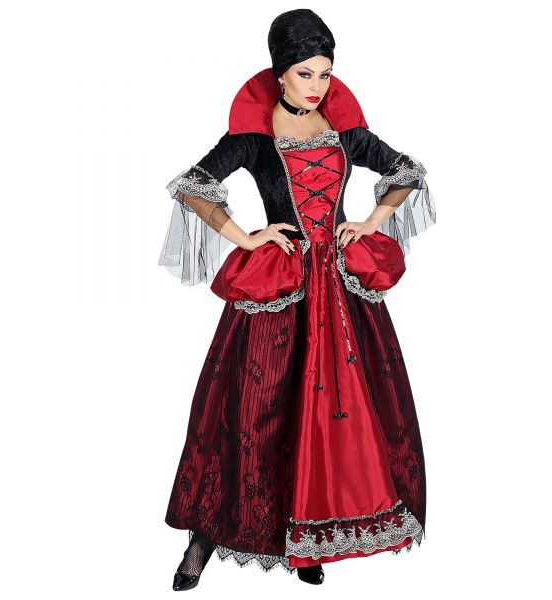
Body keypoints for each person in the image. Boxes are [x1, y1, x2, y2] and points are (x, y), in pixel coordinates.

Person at [159, 8, 436, 590]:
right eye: (305, 74)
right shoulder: (254, 137)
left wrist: (370, 221)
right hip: (280, 291)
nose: (316, 86)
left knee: (343, 412)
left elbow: (406, 170)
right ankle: (204, 537)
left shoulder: (346, 131)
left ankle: (310, 538)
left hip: (342, 291)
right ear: (279, 72)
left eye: (325, 74)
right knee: (251, 411)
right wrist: (246, 237)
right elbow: (192, 185)